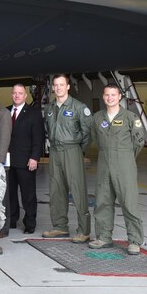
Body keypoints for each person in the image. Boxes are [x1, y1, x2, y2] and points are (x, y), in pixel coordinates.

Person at [89, 83, 147, 255]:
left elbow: (139, 141)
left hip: (124, 166)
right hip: (104, 164)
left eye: (113, 95)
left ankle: (135, 240)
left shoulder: (130, 117)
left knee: (129, 203)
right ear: (103, 96)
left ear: (119, 96)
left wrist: (126, 157)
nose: (110, 98)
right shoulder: (97, 118)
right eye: (107, 95)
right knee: (103, 202)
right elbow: (96, 140)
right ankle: (103, 237)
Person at [42, 74, 93, 243]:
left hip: (72, 150)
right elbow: (48, 130)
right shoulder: (50, 108)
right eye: (55, 85)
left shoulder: (78, 107)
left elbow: (87, 133)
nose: (58, 88)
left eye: (61, 85)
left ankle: (84, 230)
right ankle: (60, 226)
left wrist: (78, 150)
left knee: (77, 190)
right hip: (55, 151)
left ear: (68, 87)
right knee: (56, 190)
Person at [3, 84, 45, 235]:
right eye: (14, 93)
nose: (17, 96)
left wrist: (34, 157)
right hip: (8, 161)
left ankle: (30, 223)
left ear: (25, 96)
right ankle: (13, 219)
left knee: (28, 194)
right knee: (10, 193)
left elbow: (38, 138)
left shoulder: (33, 113)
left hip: (26, 160)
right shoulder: (6, 111)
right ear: (11, 94)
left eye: (20, 93)